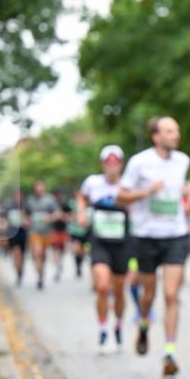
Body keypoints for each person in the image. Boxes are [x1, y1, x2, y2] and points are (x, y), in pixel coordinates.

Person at [118, 116, 190, 377]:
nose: (176, 135)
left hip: (176, 234)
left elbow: (181, 188)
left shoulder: (183, 160)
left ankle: (170, 352)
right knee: (149, 294)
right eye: (169, 131)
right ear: (156, 136)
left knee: (172, 294)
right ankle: (144, 324)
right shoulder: (139, 162)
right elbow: (121, 195)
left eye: (177, 130)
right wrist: (147, 191)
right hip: (146, 235)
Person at [78, 145, 131, 354]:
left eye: (115, 163)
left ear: (121, 165)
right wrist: (81, 213)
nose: (112, 167)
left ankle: (117, 324)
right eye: (108, 163)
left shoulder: (128, 185)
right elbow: (81, 197)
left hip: (122, 242)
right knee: (101, 286)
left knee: (119, 289)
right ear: (102, 165)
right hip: (99, 240)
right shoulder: (93, 182)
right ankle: (102, 328)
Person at [25, 180, 60, 290]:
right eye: (37, 187)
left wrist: (49, 218)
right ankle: (39, 276)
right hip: (34, 231)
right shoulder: (30, 200)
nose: (39, 189)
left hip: (47, 232)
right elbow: (25, 214)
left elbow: (57, 213)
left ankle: (41, 271)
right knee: (37, 253)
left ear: (44, 188)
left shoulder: (50, 199)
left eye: (41, 187)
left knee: (43, 254)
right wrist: (27, 221)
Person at [4, 190, 28, 286]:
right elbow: (4, 221)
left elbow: (29, 220)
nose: (19, 198)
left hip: (23, 233)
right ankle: (18, 273)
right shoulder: (9, 207)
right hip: (13, 234)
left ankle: (20, 270)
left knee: (22, 255)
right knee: (16, 253)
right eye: (17, 196)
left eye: (20, 196)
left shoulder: (26, 207)